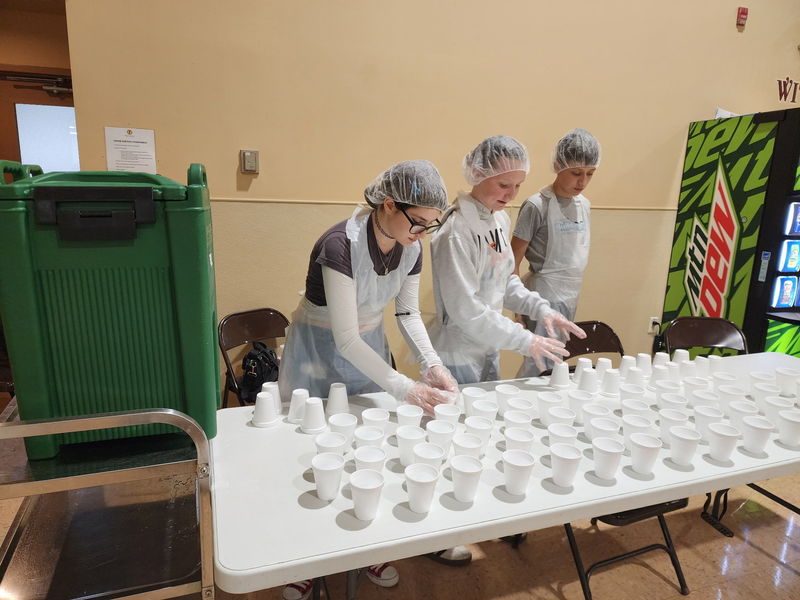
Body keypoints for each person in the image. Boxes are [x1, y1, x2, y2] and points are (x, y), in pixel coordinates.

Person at [278, 160, 458, 600]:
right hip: (319, 349)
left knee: (365, 449)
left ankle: (362, 549)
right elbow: (343, 338)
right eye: (417, 223)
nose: (421, 234)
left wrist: (431, 364)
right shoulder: (339, 244)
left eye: (430, 226)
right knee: (313, 451)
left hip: (369, 346)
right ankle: (304, 559)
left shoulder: (411, 244)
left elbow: (407, 312)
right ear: (389, 204)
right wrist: (407, 388)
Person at [429, 135, 585, 387]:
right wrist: (525, 340)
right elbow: (465, 309)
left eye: (518, 186)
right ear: (477, 173)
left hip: (490, 342)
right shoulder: (456, 231)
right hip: (459, 351)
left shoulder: (497, 220)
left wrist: (541, 308)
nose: (511, 194)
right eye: (503, 185)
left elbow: (504, 281)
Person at [511, 128, 601, 378]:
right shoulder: (536, 205)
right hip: (543, 294)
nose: (582, 182)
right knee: (539, 362)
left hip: (571, 293)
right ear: (558, 166)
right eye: (576, 173)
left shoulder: (584, 205)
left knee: (558, 358)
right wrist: (518, 306)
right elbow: (513, 259)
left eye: (589, 174)